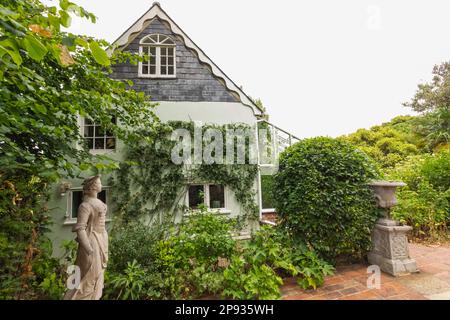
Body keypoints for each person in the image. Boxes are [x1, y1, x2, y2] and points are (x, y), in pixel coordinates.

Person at [64, 175, 108, 300]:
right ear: (93, 186)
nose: (101, 184)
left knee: (98, 274)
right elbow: (80, 228)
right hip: (91, 241)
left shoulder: (100, 203)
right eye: (99, 182)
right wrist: (88, 249)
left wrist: (105, 241)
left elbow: (102, 226)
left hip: (101, 241)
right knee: (89, 274)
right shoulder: (85, 206)